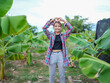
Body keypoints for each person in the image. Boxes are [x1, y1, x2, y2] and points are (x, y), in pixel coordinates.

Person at [42, 17, 73, 83]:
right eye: (55, 26)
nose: (57, 27)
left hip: (61, 55)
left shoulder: (64, 35)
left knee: (62, 75)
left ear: (61, 27)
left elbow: (71, 28)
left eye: (59, 26)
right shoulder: (50, 35)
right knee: (51, 75)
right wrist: (51, 21)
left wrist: (63, 20)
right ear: (53, 27)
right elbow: (44, 28)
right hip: (52, 55)